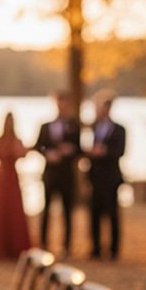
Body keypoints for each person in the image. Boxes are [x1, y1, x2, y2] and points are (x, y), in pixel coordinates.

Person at [34, 91, 81, 256]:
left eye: (65, 103)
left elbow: (80, 149)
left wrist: (71, 150)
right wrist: (48, 153)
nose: (62, 106)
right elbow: (38, 145)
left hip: (67, 174)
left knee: (67, 210)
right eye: (59, 103)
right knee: (46, 209)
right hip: (50, 173)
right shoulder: (46, 126)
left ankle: (66, 246)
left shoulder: (75, 125)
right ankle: (44, 243)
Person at [0, 112, 32, 260]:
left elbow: (23, 155)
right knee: (0, 210)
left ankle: (16, 248)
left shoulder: (17, 140)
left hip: (13, 177)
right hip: (3, 177)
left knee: (14, 210)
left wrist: (24, 151)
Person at [87, 90, 126, 259]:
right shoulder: (94, 127)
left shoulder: (119, 129)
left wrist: (105, 152)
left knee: (112, 214)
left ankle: (114, 250)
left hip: (111, 177)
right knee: (94, 214)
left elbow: (121, 151)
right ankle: (95, 248)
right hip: (95, 177)